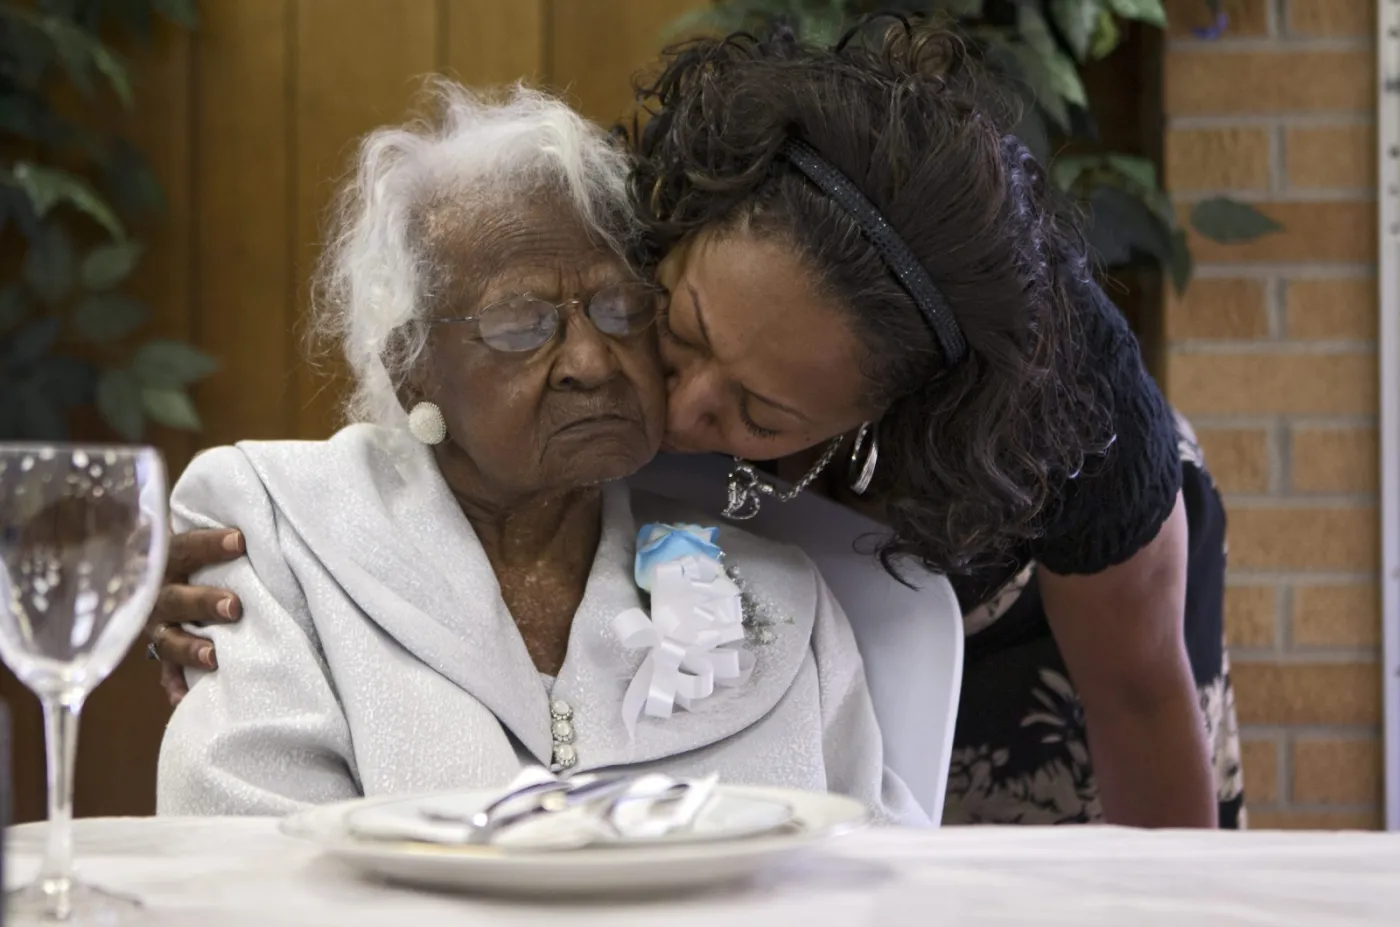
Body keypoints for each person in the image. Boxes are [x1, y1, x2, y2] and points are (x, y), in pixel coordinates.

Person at [149, 20, 1241, 828]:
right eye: (673, 324)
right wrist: (271, 564)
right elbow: (434, 357)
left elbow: (1142, 703)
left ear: (873, 413)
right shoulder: (643, 213)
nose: (668, 407)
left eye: (756, 408)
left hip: (1039, 614)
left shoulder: (1065, 432)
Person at [155, 83, 924, 825]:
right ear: (411, 364)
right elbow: (244, 851)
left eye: (620, 307)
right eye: (521, 324)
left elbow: (870, 864)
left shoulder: (780, 595)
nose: (589, 360)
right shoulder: (280, 529)